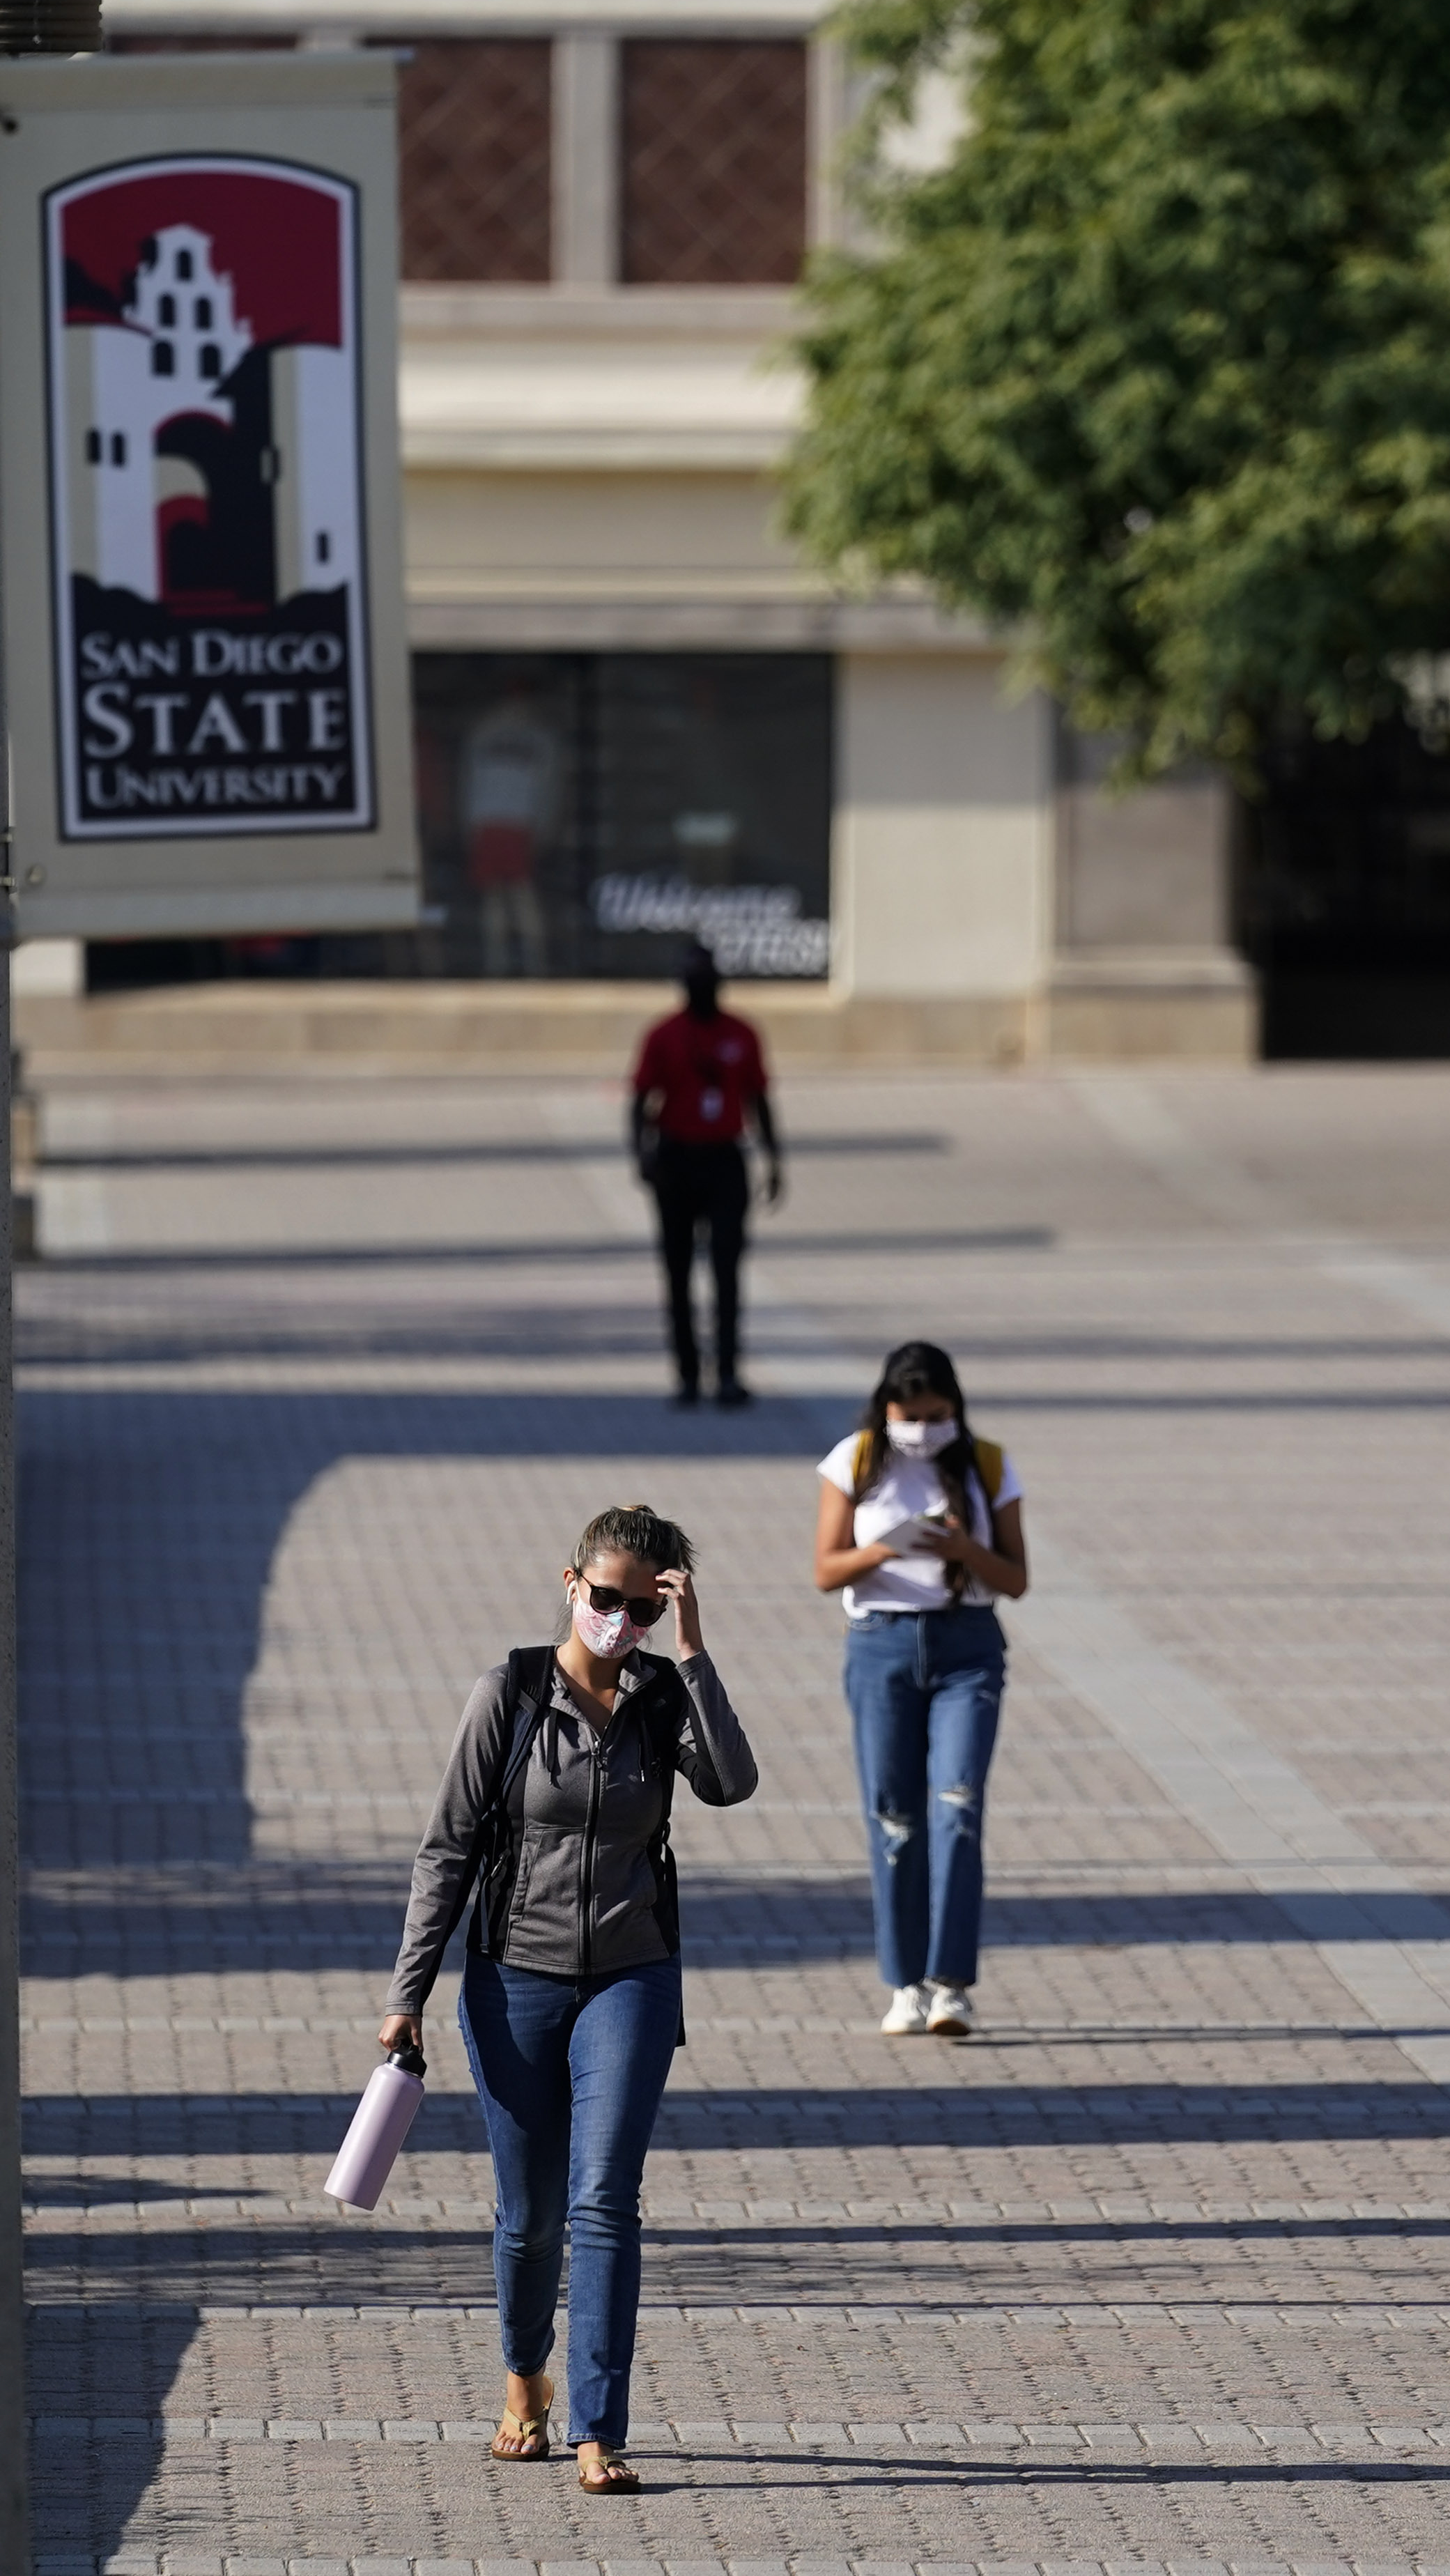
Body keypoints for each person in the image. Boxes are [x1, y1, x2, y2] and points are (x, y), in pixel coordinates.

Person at [380, 1504, 758, 2497]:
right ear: (569, 1583)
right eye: (606, 1597)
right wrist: (405, 1994)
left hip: (632, 1974)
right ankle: (523, 2380)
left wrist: (694, 1650)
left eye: (641, 1604)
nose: (619, 1619)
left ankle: (598, 2428)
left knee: (603, 2200)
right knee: (529, 2216)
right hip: (512, 1981)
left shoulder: (662, 1694)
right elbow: (447, 1849)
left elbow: (729, 1783)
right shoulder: (506, 1692)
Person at [810, 1341, 1028, 2036]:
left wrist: (964, 1549)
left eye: (939, 1415)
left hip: (967, 1644)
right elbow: (824, 1567)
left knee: (957, 1806)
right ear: (886, 1407)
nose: (925, 1429)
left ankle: (951, 1984)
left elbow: (1016, 1579)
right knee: (893, 1815)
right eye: (912, 1415)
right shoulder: (855, 1458)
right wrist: (889, 1545)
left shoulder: (986, 1460)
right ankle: (904, 1981)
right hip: (881, 1645)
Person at [628, 944, 782, 1407]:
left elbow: (760, 1099)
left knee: (727, 1269)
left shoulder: (742, 1033)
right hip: (677, 1158)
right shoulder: (663, 1035)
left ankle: (729, 1372)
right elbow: (640, 1098)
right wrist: (642, 1153)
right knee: (677, 1273)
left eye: (708, 979)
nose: (701, 988)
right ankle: (687, 1373)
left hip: (724, 1160)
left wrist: (774, 1159)